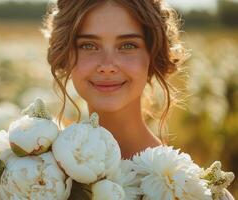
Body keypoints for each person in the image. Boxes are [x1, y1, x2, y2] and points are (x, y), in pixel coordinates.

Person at [43, 0, 234, 199]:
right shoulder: (34, 176)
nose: (107, 65)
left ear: (153, 55)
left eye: (127, 45)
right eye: (88, 45)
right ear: (65, 56)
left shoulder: (199, 192)